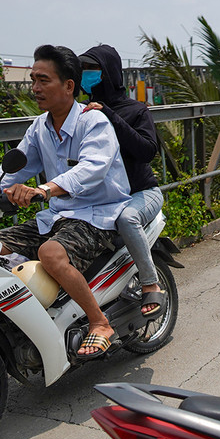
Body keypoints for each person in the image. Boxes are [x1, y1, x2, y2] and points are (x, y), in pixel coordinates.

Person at [0, 44, 130, 360]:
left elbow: (92, 169)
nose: (34, 88)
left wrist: (45, 190)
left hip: (96, 214)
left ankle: (99, 322)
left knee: (50, 253)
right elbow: (17, 167)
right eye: (33, 79)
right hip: (58, 214)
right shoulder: (40, 127)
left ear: (69, 86)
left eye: (43, 80)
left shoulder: (94, 122)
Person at [78, 44, 167, 320]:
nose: (85, 77)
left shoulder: (136, 110)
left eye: (92, 71)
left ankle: (150, 283)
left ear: (109, 73)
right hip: (104, 198)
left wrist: (111, 116)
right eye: (81, 71)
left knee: (127, 218)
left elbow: (147, 151)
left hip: (141, 194)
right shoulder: (82, 113)